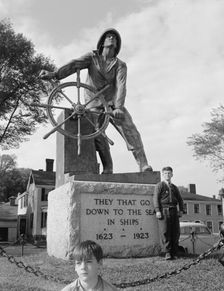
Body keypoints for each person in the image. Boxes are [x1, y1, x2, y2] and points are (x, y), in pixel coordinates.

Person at [40, 28, 152, 174]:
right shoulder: (92, 57)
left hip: (113, 103)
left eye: (114, 38)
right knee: (98, 135)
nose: (112, 38)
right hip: (93, 104)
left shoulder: (120, 65)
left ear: (117, 45)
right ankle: (108, 167)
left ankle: (143, 165)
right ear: (102, 42)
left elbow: (121, 86)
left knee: (131, 131)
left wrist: (118, 107)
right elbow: (73, 65)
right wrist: (55, 74)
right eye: (109, 36)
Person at [153, 166, 184, 260]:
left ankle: (175, 252)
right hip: (164, 210)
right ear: (163, 175)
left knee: (175, 232)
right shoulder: (160, 185)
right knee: (165, 231)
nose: (167, 175)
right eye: (165, 173)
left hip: (174, 210)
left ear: (172, 174)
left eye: (169, 173)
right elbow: (155, 198)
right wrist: (158, 210)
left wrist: (181, 210)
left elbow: (180, 199)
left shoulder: (174, 187)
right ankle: (167, 252)